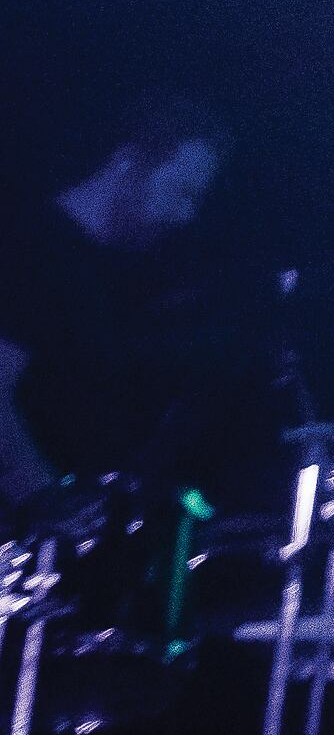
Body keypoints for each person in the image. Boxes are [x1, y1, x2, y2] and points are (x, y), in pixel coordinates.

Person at [0, 92, 229, 512]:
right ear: (128, 164)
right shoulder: (32, 250)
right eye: (182, 192)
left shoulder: (115, 271)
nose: (187, 215)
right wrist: (46, 504)